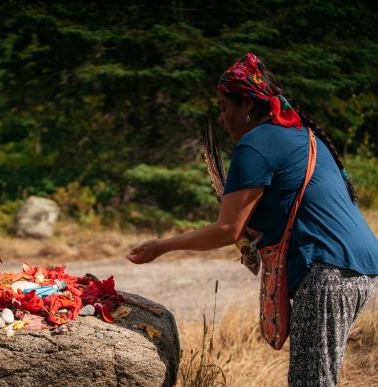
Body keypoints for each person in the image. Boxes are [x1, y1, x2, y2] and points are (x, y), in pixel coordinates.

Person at [125, 53, 378, 386]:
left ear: (246, 104)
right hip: (359, 267)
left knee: (310, 382)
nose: (223, 118)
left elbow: (227, 229)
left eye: (225, 107)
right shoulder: (299, 135)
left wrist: (162, 246)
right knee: (317, 377)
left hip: (328, 271)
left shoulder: (255, 145)